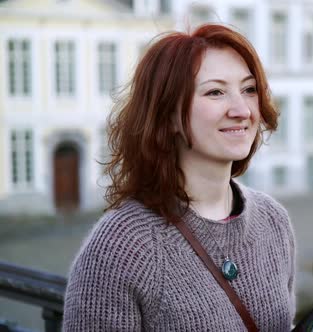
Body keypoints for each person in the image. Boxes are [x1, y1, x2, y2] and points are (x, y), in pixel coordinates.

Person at [63, 24, 296, 331]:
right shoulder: (121, 248)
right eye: (215, 92)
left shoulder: (274, 221)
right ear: (168, 114)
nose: (242, 110)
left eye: (249, 89)